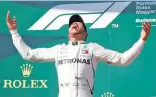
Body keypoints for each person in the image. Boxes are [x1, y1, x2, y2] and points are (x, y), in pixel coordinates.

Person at [6, 10, 151, 97]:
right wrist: (14, 32)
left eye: (79, 22)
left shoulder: (93, 48)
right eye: (72, 23)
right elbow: (28, 54)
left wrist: (142, 39)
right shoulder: (58, 49)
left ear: (86, 33)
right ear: (68, 34)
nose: (74, 23)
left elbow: (123, 59)